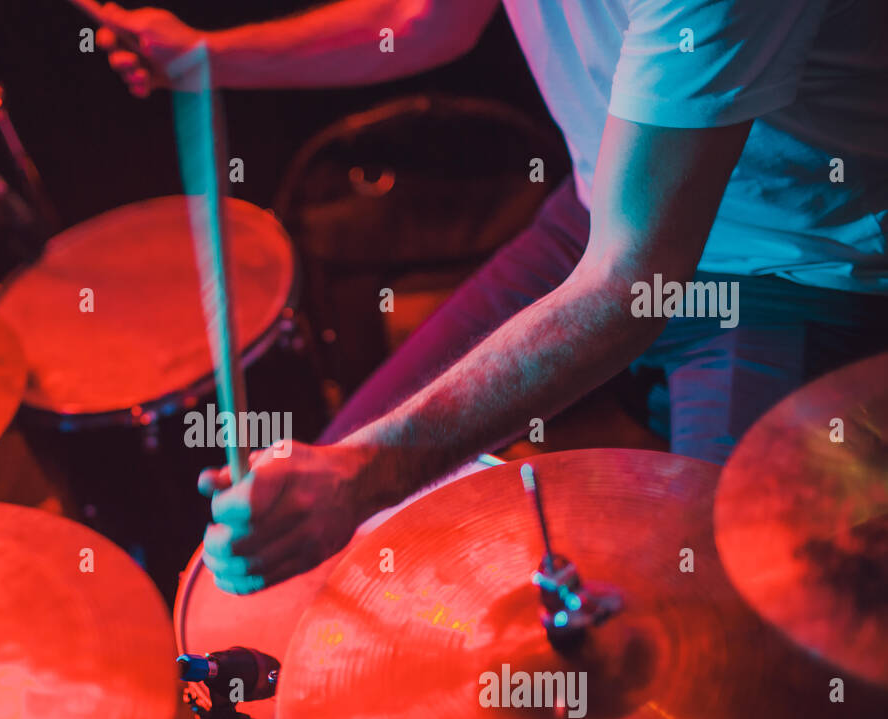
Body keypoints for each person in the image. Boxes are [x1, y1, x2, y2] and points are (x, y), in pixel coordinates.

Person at [95, 0, 888, 593]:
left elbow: (632, 286)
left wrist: (363, 475)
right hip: (605, 216)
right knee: (312, 540)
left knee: (728, 630)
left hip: (793, 271)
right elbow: (420, 21)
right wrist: (207, 56)